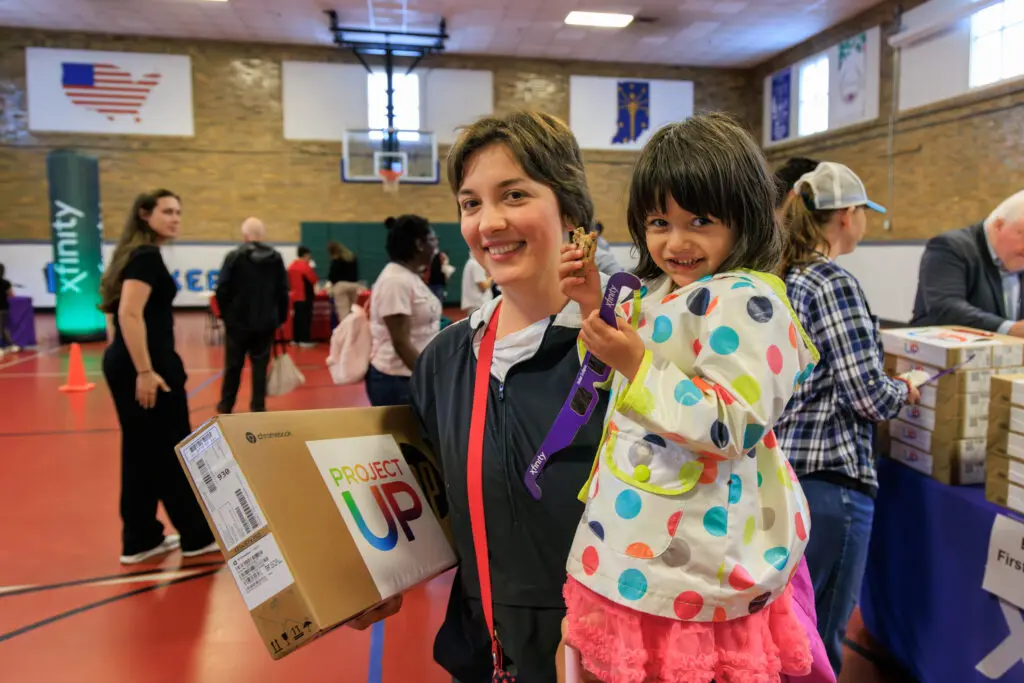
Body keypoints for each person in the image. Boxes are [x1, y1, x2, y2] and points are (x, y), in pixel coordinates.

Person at [558, 114, 820, 683]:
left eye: (700, 220)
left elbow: (733, 423)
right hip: (632, 541)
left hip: (696, 555)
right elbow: (609, 381)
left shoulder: (751, 301)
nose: (676, 242)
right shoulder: (655, 292)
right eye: (659, 221)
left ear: (743, 217)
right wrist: (590, 306)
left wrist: (633, 360)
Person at [774, 161, 920, 674]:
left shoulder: (781, 277)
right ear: (847, 215)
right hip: (831, 486)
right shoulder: (831, 281)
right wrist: (904, 388)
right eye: (863, 213)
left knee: (783, 632)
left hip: (783, 481)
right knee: (815, 640)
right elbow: (866, 396)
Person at [98, 190, 218, 565]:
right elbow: (129, 315)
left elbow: (118, 314)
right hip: (147, 367)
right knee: (171, 450)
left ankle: (140, 537)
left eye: (179, 211)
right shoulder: (146, 258)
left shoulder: (132, 256)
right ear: (145, 214)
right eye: (167, 211)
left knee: (140, 451)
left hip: (130, 362)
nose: (175, 218)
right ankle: (195, 535)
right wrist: (145, 371)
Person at [911, 189, 1024, 335]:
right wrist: (1009, 329)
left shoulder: (1017, 257)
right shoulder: (950, 247)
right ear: (999, 225)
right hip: (939, 352)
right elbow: (946, 308)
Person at [214, 217, 289, 414]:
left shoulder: (234, 256)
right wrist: (280, 318)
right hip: (265, 322)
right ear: (261, 235)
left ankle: (226, 404)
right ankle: (258, 405)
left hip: (237, 322)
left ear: (245, 236)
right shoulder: (276, 258)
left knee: (233, 365)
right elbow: (283, 291)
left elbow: (221, 288)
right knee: (260, 365)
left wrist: (225, 315)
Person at [365, 215, 441, 407]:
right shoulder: (395, 281)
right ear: (419, 244)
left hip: (410, 375)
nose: (436, 246)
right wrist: (430, 381)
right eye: (433, 240)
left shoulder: (409, 276)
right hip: (398, 380)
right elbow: (401, 342)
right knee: (404, 437)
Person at [287, 246, 318, 348]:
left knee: (297, 318)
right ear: (306, 255)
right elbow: (313, 279)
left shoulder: (291, 266)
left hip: (295, 296)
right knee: (305, 318)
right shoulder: (305, 266)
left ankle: (295, 339)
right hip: (305, 295)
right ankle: (304, 340)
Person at [327, 240, 361, 323]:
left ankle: (345, 334)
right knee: (353, 311)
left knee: (343, 313)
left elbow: (332, 276)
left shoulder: (336, 260)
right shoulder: (352, 257)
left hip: (340, 286)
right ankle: (354, 333)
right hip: (353, 285)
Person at [0, 263, 17, 358]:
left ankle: (8, 345)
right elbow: (11, 295)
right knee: (3, 328)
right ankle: (10, 345)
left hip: (2, 309)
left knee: (2, 328)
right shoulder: (6, 283)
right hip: (4, 308)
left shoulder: (6, 283)